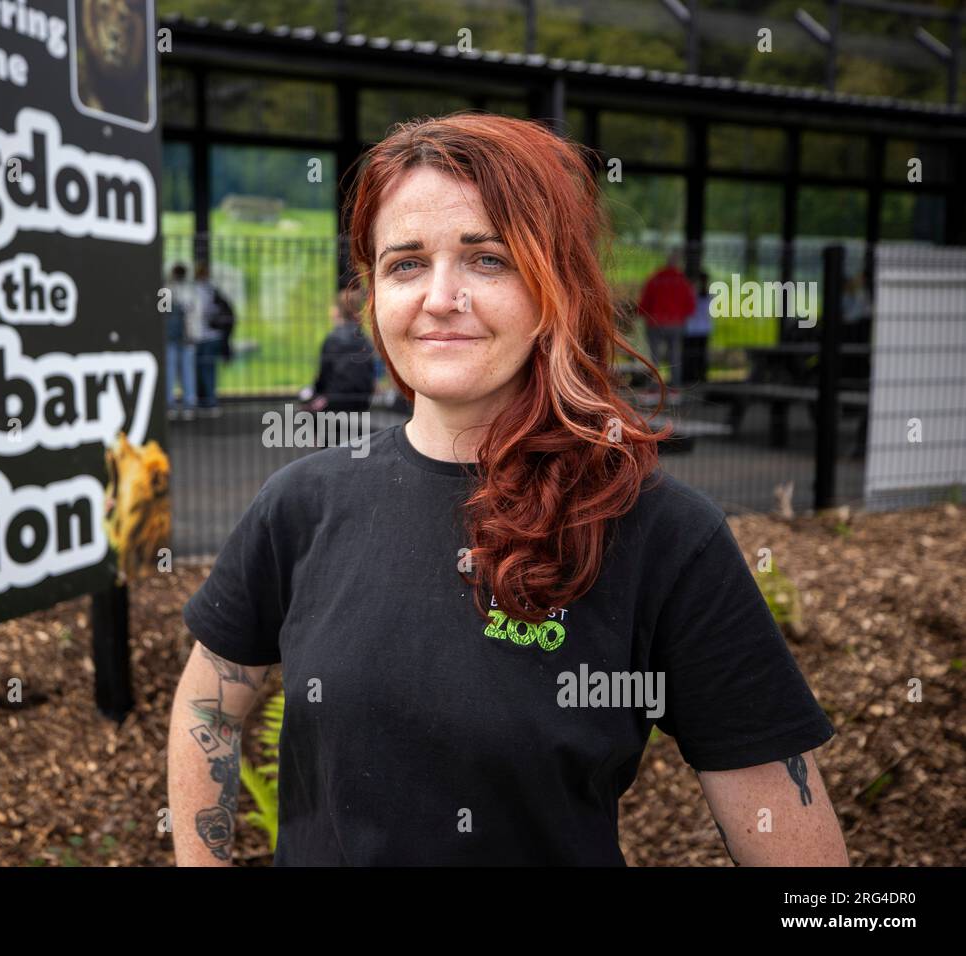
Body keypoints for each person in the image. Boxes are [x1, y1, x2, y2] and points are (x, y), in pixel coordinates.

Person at [168, 113, 847, 867]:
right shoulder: (302, 502)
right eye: (405, 264)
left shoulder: (660, 532)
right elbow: (208, 707)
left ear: (554, 282)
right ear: (372, 293)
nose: (440, 296)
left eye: (486, 259)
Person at [299, 283, 377, 447]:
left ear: (337, 311)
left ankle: (321, 441)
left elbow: (324, 376)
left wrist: (316, 392)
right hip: (362, 399)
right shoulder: (365, 339)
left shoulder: (333, 338)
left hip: (336, 399)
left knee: (306, 398)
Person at [638, 250, 696, 391]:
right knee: (674, 356)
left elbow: (644, 302)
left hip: (655, 322)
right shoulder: (682, 281)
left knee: (654, 357)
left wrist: (641, 313)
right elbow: (691, 306)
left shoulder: (655, 279)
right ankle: (675, 387)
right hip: (675, 323)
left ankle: (653, 386)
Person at [192, 263, 232, 418]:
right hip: (214, 336)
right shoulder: (213, 290)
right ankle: (208, 400)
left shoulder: (197, 291)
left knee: (203, 370)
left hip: (203, 336)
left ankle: (208, 400)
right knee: (208, 370)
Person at [165, 263, 200, 420]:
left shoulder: (166, 290)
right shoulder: (191, 290)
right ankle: (185, 404)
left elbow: (162, 314)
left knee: (173, 371)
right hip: (181, 336)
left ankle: (176, 404)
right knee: (185, 371)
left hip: (177, 337)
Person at [681, 270, 712, 386]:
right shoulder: (708, 296)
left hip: (692, 329)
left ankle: (691, 377)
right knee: (700, 355)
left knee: (691, 355)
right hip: (702, 329)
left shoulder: (693, 295)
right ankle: (700, 377)